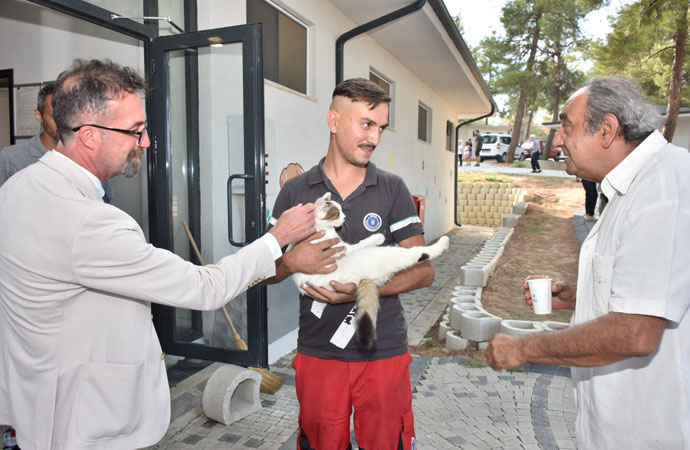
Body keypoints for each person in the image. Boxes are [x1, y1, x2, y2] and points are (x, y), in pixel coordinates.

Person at [0, 59, 326, 450]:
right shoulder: (88, 222)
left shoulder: (18, 187)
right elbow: (205, 288)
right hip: (82, 423)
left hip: (38, 405)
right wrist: (278, 237)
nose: (147, 142)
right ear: (89, 135)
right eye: (135, 130)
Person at [485, 76, 690, 449]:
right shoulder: (636, 186)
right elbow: (651, 288)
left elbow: (636, 331)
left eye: (566, 126)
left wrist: (525, 348)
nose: (557, 141)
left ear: (607, 130)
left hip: (653, 432)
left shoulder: (661, 190)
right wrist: (582, 295)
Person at [265, 78, 433, 450]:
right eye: (366, 124)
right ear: (334, 121)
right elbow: (263, 271)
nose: (374, 138)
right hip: (319, 352)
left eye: (381, 128)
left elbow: (424, 269)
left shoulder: (392, 188)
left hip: (383, 350)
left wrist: (362, 290)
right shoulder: (296, 192)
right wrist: (292, 261)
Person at [0, 82, 59, 186]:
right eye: (55, 116)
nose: (63, 122)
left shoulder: (83, 156)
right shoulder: (10, 158)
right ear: (39, 116)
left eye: (67, 116)